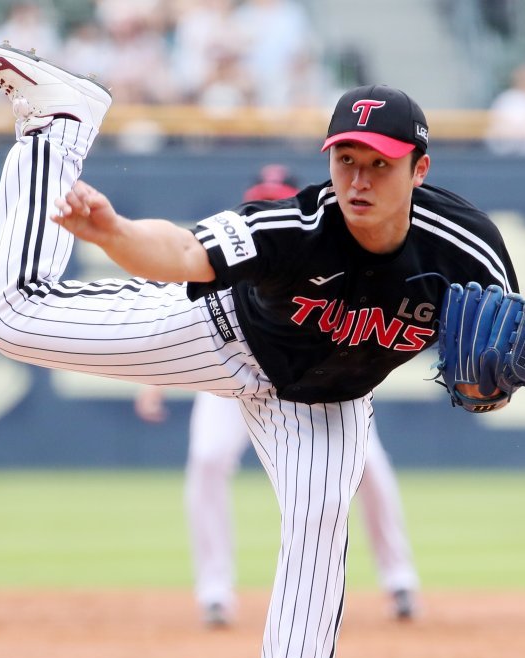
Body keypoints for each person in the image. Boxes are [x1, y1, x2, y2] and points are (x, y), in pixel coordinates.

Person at [0, 41, 518, 658]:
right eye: (345, 158)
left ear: (420, 169)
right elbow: (187, 252)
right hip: (223, 339)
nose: (358, 179)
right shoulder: (298, 225)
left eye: (379, 163)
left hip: (326, 400)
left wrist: (493, 389)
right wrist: (117, 236)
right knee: (12, 318)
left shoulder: (469, 252)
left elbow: (497, 371)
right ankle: (61, 126)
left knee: (322, 515)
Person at [135, 164, 420, 628]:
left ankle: (400, 578)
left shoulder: (325, 249)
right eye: (260, 197)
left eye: (277, 197)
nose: (267, 205)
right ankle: (214, 592)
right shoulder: (236, 244)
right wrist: (155, 379)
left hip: (312, 378)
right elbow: (185, 311)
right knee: (208, 458)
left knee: (368, 463)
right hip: (231, 371)